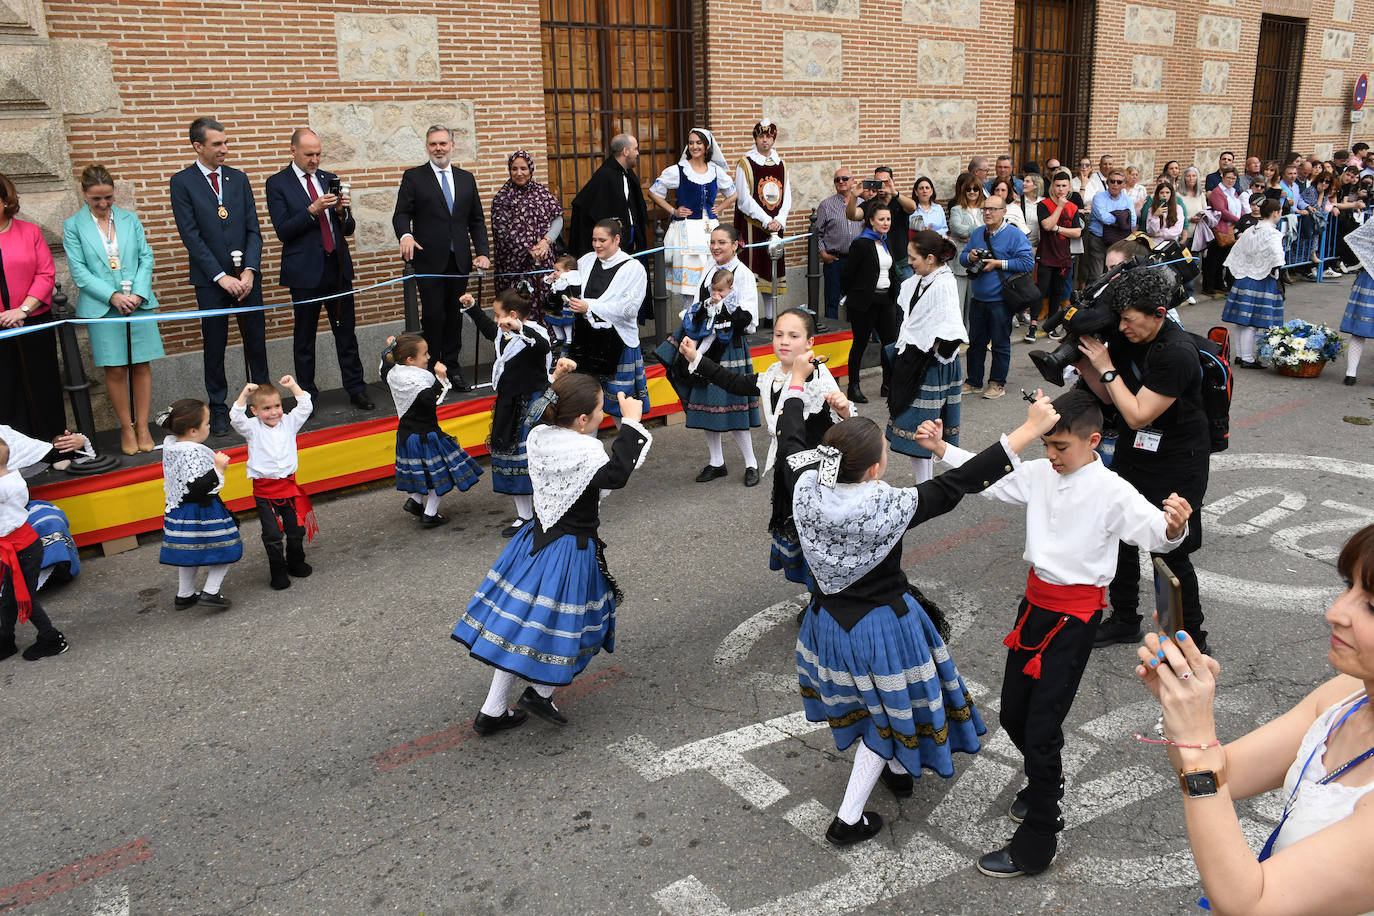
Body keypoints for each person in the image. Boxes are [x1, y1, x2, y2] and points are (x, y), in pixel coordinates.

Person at [780, 367, 1061, 846]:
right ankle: (848, 818)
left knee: (871, 705)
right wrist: (1030, 430)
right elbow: (960, 483)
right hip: (881, 627)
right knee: (886, 713)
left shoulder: (806, 484)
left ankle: (895, 767)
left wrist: (798, 386)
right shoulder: (885, 506)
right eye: (883, 453)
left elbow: (789, 436)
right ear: (873, 468)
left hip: (826, 621)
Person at [921, 389, 1192, 878]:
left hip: (1076, 618)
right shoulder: (1042, 473)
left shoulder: (1112, 489)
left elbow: (1153, 533)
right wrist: (944, 451)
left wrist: (1174, 527)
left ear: (1092, 441)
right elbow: (994, 479)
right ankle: (1048, 780)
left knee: (1042, 728)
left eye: (1060, 447)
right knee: (1013, 714)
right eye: (1046, 445)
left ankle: (1039, 837)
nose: (1050, 455)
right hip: (1035, 607)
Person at [1130, 525, 1374, 916]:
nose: (1335, 612)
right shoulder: (1347, 693)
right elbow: (1224, 775)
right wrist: (1182, 712)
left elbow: (1250, 904)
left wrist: (1197, 742)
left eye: (1372, 606)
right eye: (1349, 586)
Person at [451, 376, 652, 735]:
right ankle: (539, 693)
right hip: (571, 550)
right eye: (600, 409)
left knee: (519, 625)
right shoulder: (586, 452)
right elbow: (616, 475)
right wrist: (633, 422)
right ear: (581, 421)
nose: (604, 413)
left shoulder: (539, 436)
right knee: (580, 625)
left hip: (535, 541)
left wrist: (561, 379)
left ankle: (492, 711)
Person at [1076, 268, 1211, 653]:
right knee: (1119, 534)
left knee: (1169, 551)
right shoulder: (1127, 338)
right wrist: (1088, 361)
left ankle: (1188, 639)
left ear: (1158, 313)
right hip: (1135, 452)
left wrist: (1106, 367)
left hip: (1178, 459)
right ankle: (1124, 620)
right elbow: (1110, 398)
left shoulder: (1178, 353)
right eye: (1118, 318)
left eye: (1128, 319)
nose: (1122, 327)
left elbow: (1137, 414)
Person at [676, 308, 850, 595]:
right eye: (779, 334)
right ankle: (816, 595)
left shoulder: (817, 375)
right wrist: (695, 358)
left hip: (819, 473)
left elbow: (847, 425)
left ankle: (826, 597)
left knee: (819, 536)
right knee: (801, 536)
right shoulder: (771, 375)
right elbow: (732, 382)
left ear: (810, 343)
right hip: (789, 468)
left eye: (793, 336)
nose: (784, 341)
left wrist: (843, 409)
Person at [168, 117, 271, 437]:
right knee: (215, 345)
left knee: (256, 342)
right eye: (217, 144)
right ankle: (218, 408)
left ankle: (264, 405)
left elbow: (254, 229)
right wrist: (220, 277)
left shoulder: (238, 179)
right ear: (198, 146)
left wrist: (250, 270)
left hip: (247, 279)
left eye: (226, 143)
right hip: (211, 281)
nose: (225, 149)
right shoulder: (182, 182)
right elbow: (191, 236)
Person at [264, 129, 373, 411]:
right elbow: (283, 231)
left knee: (346, 333)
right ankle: (307, 397)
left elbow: (348, 229)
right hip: (304, 272)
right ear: (293, 151)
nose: (314, 160)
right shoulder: (277, 184)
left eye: (318, 154)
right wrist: (312, 209)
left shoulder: (329, 179)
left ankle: (356, 388)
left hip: (336, 269)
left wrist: (342, 213)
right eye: (308, 154)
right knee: (304, 337)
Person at [61, 164, 164, 454]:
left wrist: (138, 293)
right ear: (84, 194)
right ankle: (126, 428)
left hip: (138, 303)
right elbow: (79, 272)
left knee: (142, 365)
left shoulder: (130, 220)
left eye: (108, 197)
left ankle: (143, 426)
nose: (104, 204)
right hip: (103, 308)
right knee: (116, 369)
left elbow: (146, 256)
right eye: (97, 199)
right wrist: (113, 296)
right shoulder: (73, 226)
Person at [461, 288, 575, 534]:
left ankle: (552, 510)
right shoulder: (502, 334)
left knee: (534, 461)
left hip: (531, 406)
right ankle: (525, 517)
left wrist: (519, 329)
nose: (495, 320)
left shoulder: (535, 335)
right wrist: (471, 307)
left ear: (512, 315)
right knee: (512, 461)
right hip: (508, 404)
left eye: (498, 314)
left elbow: (542, 345)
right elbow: (487, 328)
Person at [391, 124, 491, 387]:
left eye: (443, 143)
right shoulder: (414, 177)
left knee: (455, 314)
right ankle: (433, 367)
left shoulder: (466, 178)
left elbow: (476, 221)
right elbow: (401, 214)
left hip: (459, 261)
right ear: (427, 146)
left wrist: (482, 253)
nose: (438, 148)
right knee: (434, 316)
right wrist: (406, 236)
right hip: (429, 261)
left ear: (452, 146)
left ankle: (453, 366)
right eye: (433, 144)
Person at [674, 226, 761, 486]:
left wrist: (722, 322)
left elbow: (749, 317)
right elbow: (697, 305)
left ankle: (751, 463)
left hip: (729, 346)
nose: (715, 247)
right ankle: (716, 462)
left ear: (736, 244)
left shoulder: (743, 274)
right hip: (703, 345)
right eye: (712, 242)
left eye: (722, 242)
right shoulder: (709, 269)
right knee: (709, 406)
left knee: (733, 406)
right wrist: (697, 324)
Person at [886, 230, 967, 484]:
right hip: (917, 362)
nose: (909, 263)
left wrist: (932, 351)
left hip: (933, 367)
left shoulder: (944, 284)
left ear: (930, 258)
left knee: (925, 432)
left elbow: (952, 330)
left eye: (914, 259)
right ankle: (926, 484)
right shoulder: (923, 279)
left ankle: (926, 486)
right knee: (918, 430)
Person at [379, 333, 483, 528]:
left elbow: (385, 365)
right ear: (410, 359)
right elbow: (429, 401)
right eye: (424, 354)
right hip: (426, 436)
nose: (428, 357)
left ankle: (415, 501)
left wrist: (389, 349)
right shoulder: (420, 379)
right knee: (440, 475)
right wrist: (440, 379)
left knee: (424, 472)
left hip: (406, 434)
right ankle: (430, 514)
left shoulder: (394, 373)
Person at [550, 218, 650, 419]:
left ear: (616, 240)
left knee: (620, 405)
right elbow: (574, 286)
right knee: (584, 403)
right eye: (594, 239)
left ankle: (628, 448)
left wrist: (590, 306)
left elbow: (629, 309)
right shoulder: (586, 260)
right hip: (586, 342)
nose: (596, 244)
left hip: (618, 343)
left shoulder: (634, 268)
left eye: (602, 240)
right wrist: (561, 284)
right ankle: (590, 450)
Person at [230, 376, 316, 591]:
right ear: (255, 411)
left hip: (289, 486)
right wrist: (244, 394)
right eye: (266, 408)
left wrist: (294, 386)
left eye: (277, 406)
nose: (274, 412)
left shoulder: (288, 422)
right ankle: (277, 570)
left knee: (296, 530)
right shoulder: (252, 428)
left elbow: (305, 406)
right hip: (265, 491)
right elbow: (235, 418)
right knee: (272, 534)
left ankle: (295, 561)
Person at [159, 398, 241, 611]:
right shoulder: (192, 452)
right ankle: (211, 591)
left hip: (180, 511)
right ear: (193, 431)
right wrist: (218, 469)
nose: (209, 426)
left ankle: (184, 594)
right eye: (207, 423)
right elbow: (196, 487)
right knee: (226, 548)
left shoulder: (173, 447)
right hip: (201, 511)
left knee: (190, 552)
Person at [0, 172, 62, 442]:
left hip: (34, 320)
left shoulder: (29, 232)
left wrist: (21, 310)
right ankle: (11, 454)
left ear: (5, 200)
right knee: (5, 390)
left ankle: (54, 447)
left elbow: (45, 274)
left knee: (43, 384)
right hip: (1, 326)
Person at [648, 128, 736, 308]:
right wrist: (673, 211)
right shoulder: (678, 170)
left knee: (712, 279)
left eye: (698, 143)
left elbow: (733, 194)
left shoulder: (715, 171)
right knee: (689, 288)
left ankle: (709, 322)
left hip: (709, 229)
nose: (694, 146)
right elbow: (653, 192)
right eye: (691, 143)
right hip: (687, 230)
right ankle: (689, 326)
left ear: (706, 146)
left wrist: (718, 208)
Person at [0, 439, 70, 662]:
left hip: (20, 549)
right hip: (21, 546)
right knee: (10, 596)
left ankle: (52, 638)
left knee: (24, 597)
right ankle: (5, 639)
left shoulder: (2, 488)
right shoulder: (12, 474)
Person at [961, 195, 1034, 400]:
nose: (988, 212)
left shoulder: (1014, 235)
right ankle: (974, 382)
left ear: (1003, 212)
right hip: (979, 299)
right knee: (976, 343)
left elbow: (1027, 263)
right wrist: (971, 257)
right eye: (985, 209)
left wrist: (998, 263)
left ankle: (997, 384)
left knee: (1000, 344)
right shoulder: (977, 233)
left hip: (1001, 300)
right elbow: (963, 257)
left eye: (993, 209)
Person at [839, 201, 899, 405]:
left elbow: (890, 270)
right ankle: (853, 386)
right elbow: (847, 275)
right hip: (864, 302)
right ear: (871, 221)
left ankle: (888, 384)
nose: (885, 223)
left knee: (890, 343)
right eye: (881, 219)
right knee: (860, 343)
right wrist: (854, 294)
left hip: (885, 299)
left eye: (888, 219)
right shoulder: (861, 243)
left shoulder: (886, 241)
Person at [734, 119, 791, 325]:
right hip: (752, 226)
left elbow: (787, 196)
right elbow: (743, 199)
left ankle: (770, 317)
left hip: (774, 228)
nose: (764, 140)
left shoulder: (781, 164)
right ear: (755, 138)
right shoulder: (746, 163)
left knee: (770, 271)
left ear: (773, 138)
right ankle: (749, 320)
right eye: (761, 136)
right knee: (750, 273)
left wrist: (780, 220)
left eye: (768, 136)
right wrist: (767, 220)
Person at [489, 149, 563, 301]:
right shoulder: (502, 198)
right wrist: (529, 250)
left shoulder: (542, 192)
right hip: (514, 266)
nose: (519, 173)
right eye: (514, 169)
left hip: (542, 261)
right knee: (518, 307)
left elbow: (557, 217)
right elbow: (500, 231)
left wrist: (546, 241)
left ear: (530, 169)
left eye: (523, 168)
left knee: (543, 304)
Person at [1222, 200, 1286, 367]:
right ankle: (1247, 359)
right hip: (1261, 279)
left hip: (1243, 277)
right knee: (1251, 323)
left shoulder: (1250, 229)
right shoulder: (1273, 233)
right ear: (1276, 213)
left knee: (1242, 321)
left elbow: (1236, 251)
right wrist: (1276, 268)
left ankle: (1241, 355)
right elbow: (1277, 256)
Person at [570, 134, 650, 259]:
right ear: (625, 151)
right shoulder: (605, 176)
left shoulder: (628, 174)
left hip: (629, 246)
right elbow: (586, 208)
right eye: (635, 149)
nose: (637, 153)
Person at [1027, 170, 1083, 342]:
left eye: (1064, 186)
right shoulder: (1043, 205)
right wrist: (1059, 206)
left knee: (1057, 292)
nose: (1060, 189)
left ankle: (1051, 326)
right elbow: (1046, 225)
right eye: (1057, 185)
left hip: (1064, 258)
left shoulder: (1073, 207)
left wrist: (1058, 229)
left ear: (1069, 187)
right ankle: (1033, 326)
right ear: (1052, 187)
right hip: (1045, 255)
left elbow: (1077, 232)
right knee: (1040, 291)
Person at [847, 167, 917, 281]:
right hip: (879, 264)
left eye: (885, 182)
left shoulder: (899, 201)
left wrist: (894, 193)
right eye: (878, 182)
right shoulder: (870, 204)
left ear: (892, 182)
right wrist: (854, 196)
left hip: (901, 264)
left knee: (906, 297)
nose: (882, 185)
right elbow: (852, 215)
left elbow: (913, 207)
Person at [816, 168, 863, 323]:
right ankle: (832, 336)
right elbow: (817, 233)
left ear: (852, 181)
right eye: (837, 180)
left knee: (855, 301)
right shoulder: (826, 205)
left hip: (857, 261)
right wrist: (823, 254)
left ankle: (853, 335)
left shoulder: (863, 204)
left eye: (844, 178)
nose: (841, 182)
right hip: (835, 260)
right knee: (832, 300)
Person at [1339, 218, 1374, 385]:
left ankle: (1350, 374)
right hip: (1370, 275)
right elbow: (1352, 239)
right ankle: (1350, 373)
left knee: (1360, 328)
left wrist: (1363, 260)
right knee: (1360, 328)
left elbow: (1352, 239)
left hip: (1369, 277)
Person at [1084, 170, 1135, 285]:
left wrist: (1115, 217)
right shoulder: (1098, 198)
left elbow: (1132, 221)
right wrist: (1122, 218)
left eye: (1119, 182)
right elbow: (1104, 218)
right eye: (1112, 181)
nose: (1115, 184)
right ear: (1108, 183)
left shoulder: (1127, 200)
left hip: (1118, 242)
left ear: (1123, 184)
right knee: (1096, 276)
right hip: (1098, 240)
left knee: (1115, 276)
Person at [949, 172, 986, 322]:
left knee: (974, 302)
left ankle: (971, 333)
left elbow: (991, 230)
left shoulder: (985, 209)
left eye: (975, 189)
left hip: (980, 261)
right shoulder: (956, 209)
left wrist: (970, 234)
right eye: (968, 189)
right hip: (960, 261)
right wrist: (979, 229)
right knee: (958, 302)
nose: (972, 192)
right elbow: (957, 229)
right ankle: (956, 337)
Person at [1202, 168, 1245, 295]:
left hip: (1231, 229)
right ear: (1223, 178)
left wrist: (1242, 218)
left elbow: (1239, 207)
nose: (1231, 180)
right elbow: (1222, 210)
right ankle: (1208, 286)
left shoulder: (1233, 192)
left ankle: (1219, 284)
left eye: (1233, 178)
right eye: (1228, 178)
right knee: (1213, 260)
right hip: (1219, 230)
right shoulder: (1217, 192)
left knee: (1222, 260)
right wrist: (1238, 219)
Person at [541, 253, 579, 355]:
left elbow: (570, 291)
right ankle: (559, 337)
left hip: (566, 305)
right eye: (555, 270)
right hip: (557, 304)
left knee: (566, 322)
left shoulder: (570, 280)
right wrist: (552, 278)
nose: (555, 272)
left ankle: (569, 339)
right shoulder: (558, 279)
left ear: (568, 271)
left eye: (558, 270)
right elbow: (548, 282)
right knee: (553, 320)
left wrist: (568, 299)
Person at [1145, 180, 1186, 245]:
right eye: (1162, 193)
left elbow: (1177, 230)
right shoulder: (1151, 209)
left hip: (1170, 243)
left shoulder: (1178, 208)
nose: (1164, 195)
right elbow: (1151, 231)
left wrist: (1161, 233)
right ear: (1158, 194)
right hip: (1155, 243)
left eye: (1167, 192)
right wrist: (1155, 216)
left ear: (1171, 194)